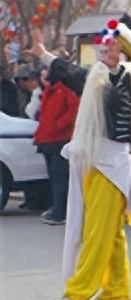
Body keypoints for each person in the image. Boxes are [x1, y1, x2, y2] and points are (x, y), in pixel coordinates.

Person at [31, 20, 131, 300]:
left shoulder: (126, 77)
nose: (104, 48)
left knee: (96, 232)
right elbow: (78, 76)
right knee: (110, 233)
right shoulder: (103, 75)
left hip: (112, 164)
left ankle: (78, 293)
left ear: (123, 51)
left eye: (111, 44)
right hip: (98, 161)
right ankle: (117, 290)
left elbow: (108, 101)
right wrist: (46, 55)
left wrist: (98, 78)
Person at [32, 58, 80, 225]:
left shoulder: (63, 89)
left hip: (57, 138)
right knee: (56, 177)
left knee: (59, 178)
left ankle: (60, 212)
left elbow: (74, 109)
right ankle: (59, 209)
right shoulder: (54, 88)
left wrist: (58, 125)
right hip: (50, 137)